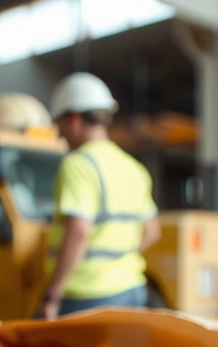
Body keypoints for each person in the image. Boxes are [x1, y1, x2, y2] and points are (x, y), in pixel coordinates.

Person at [41, 72, 162, 320]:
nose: (60, 134)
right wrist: (116, 262)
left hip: (87, 295)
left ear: (73, 119)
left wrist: (53, 293)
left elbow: (79, 231)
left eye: (60, 125)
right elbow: (152, 232)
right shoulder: (133, 168)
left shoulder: (77, 164)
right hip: (131, 290)